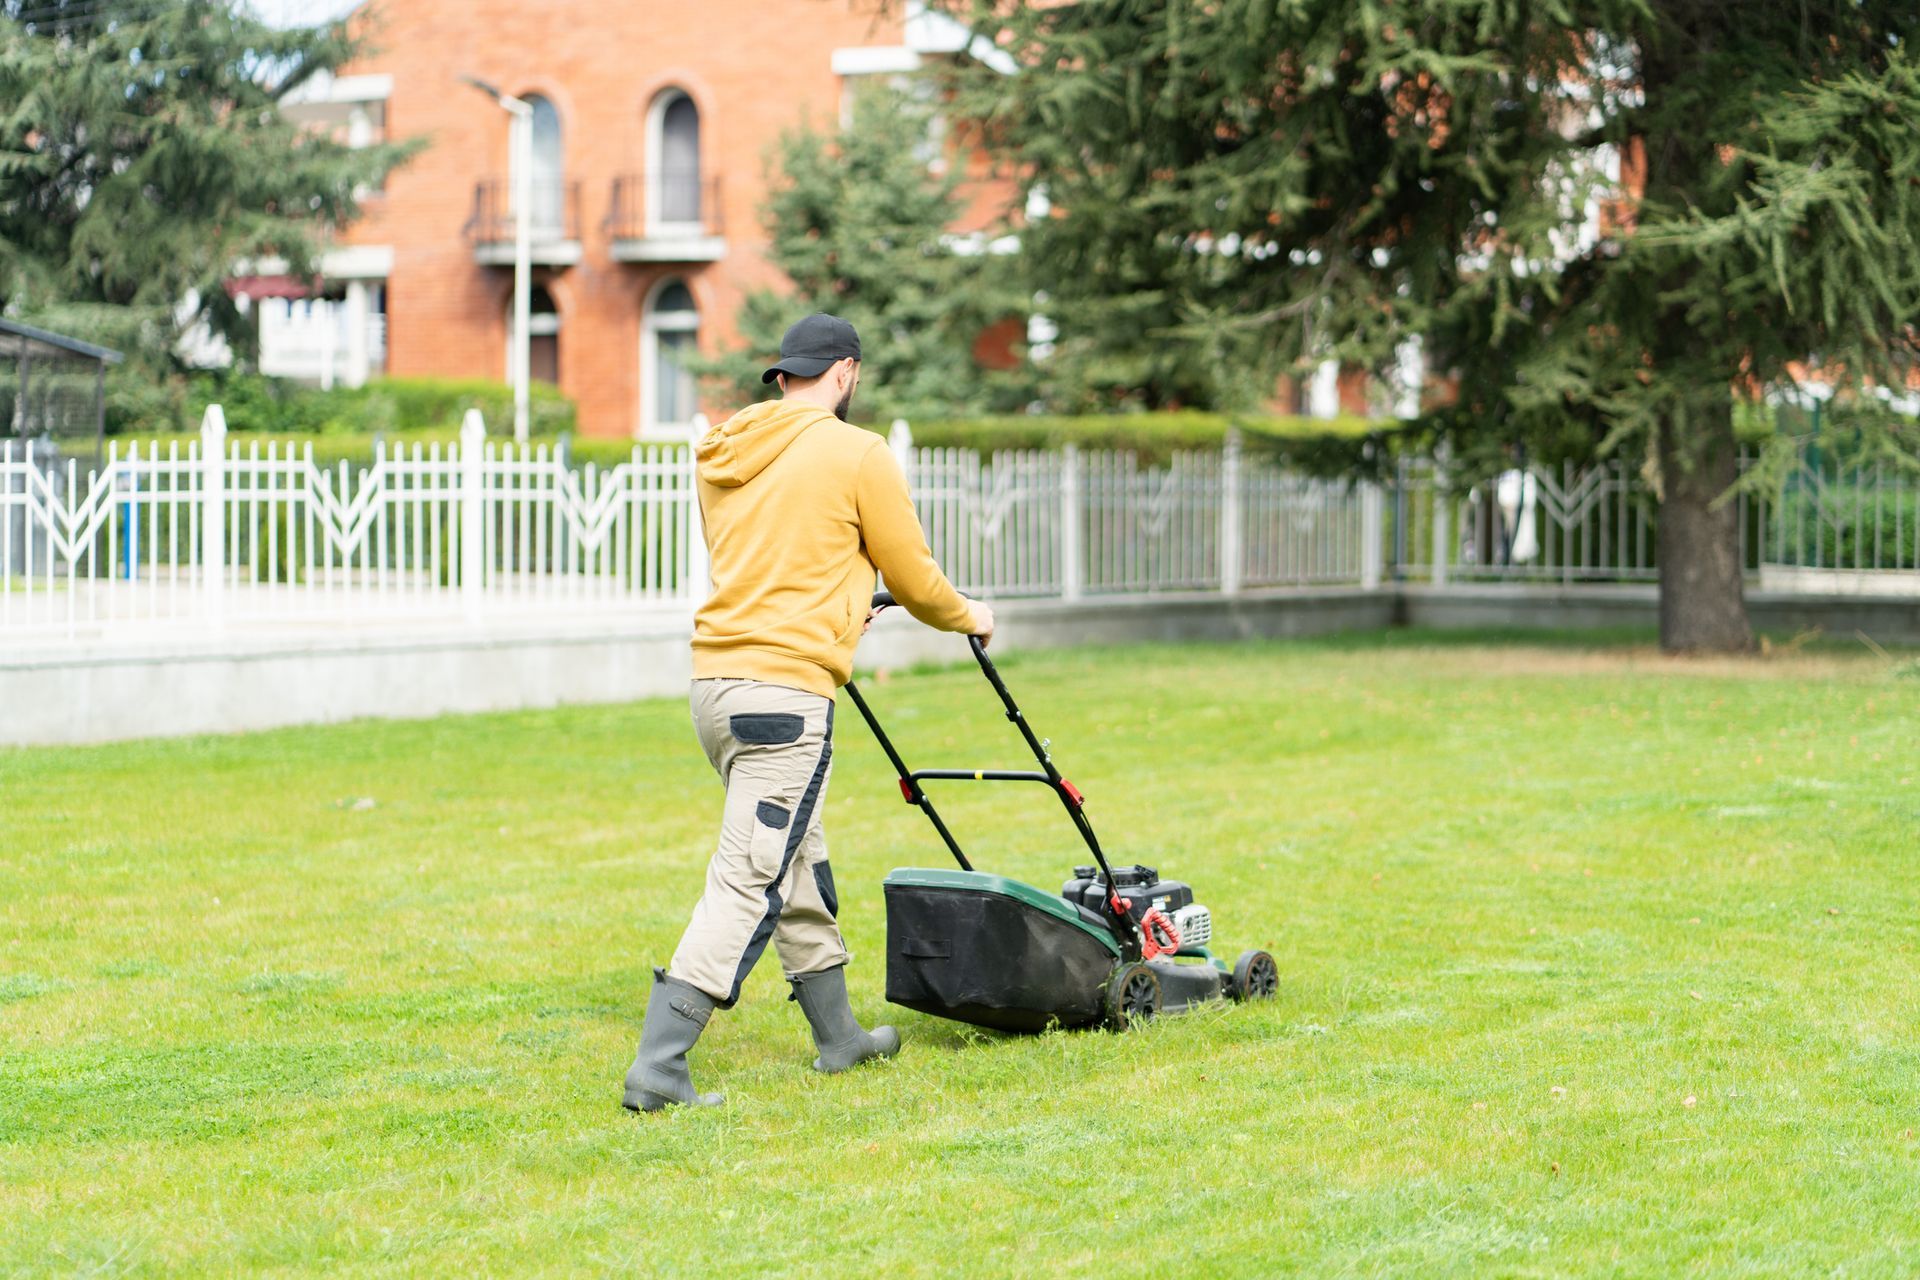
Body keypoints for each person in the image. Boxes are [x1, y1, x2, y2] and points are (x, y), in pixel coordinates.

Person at [623, 313, 994, 1113]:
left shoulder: (726, 450)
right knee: (749, 876)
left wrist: (845, 600)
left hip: (717, 690)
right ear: (846, 373)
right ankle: (660, 1065)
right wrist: (970, 613)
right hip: (786, 699)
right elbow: (917, 575)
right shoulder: (856, 451)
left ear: (782, 375)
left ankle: (840, 1038)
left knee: (796, 861)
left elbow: (775, 564)